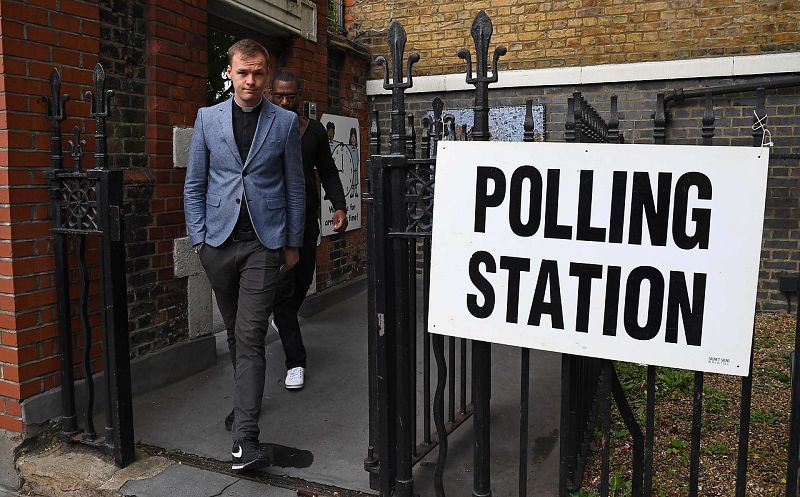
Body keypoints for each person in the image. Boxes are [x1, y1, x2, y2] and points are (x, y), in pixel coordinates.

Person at [183, 39, 305, 471]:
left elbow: (295, 186)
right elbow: (194, 184)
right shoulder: (207, 119)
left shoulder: (284, 122)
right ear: (230, 73)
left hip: (263, 243)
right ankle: (244, 404)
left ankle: (245, 440)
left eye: (258, 73)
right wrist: (199, 239)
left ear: (266, 75)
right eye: (243, 72)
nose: (251, 80)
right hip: (217, 244)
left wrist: (291, 242)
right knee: (236, 332)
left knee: (251, 335)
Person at [268, 70, 348, 390]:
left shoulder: (313, 131)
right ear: (271, 96)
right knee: (280, 292)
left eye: (291, 96)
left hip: (305, 224)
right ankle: (296, 361)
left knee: (300, 285)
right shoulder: (264, 129)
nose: (285, 102)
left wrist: (339, 206)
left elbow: (328, 172)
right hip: (272, 226)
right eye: (279, 96)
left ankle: (283, 319)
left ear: (300, 96)